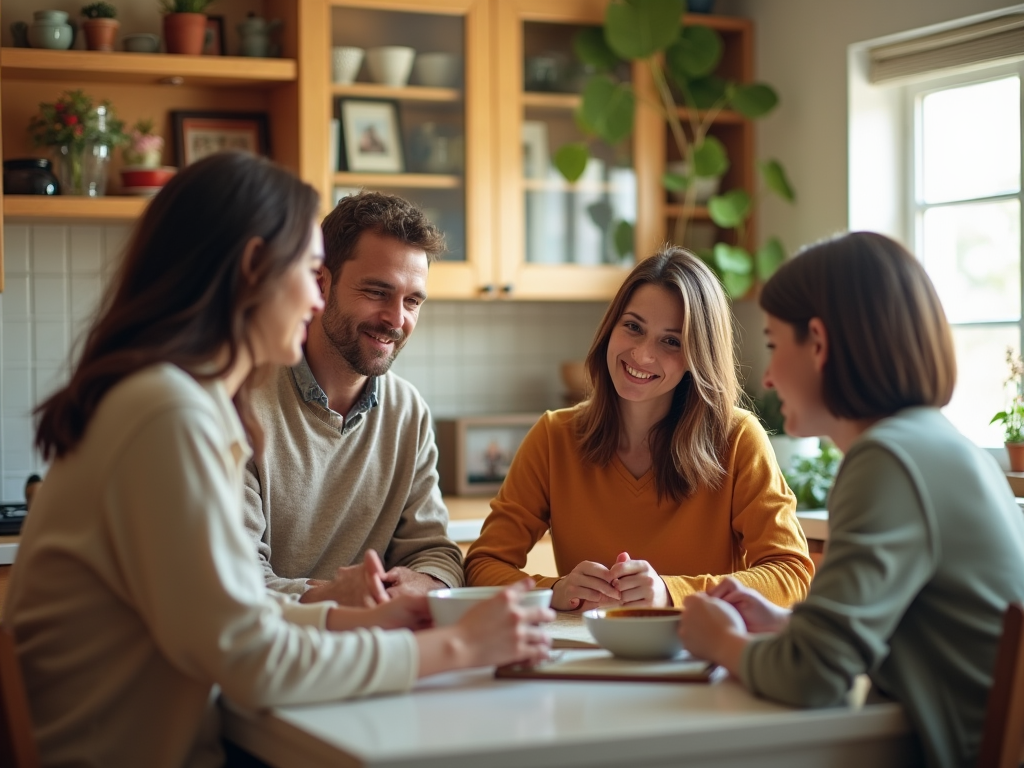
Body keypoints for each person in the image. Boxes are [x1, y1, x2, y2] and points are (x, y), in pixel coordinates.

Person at [4, 152, 552, 768]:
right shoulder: (169, 413)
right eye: (309, 270)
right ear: (253, 271)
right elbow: (249, 657)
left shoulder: (178, 401)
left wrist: (361, 618)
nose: (313, 300)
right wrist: (457, 647)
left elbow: (235, 615)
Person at [678, 231, 1024, 768]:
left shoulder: (888, 460)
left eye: (772, 344)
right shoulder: (938, 443)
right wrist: (788, 624)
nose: (767, 377)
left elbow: (814, 677)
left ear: (818, 342)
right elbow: (903, 630)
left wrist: (721, 642)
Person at [465, 246, 814, 610]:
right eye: (633, 327)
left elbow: (789, 572)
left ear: (699, 356)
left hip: (698, 656)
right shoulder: (553, 436)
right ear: (610, 328)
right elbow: (482, 566)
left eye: (671, 341)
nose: (642, 355)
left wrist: (669, 593)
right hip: (586, 657)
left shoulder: (739, 438)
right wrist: (554, 591)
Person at [243, 190, 464, 608]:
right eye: (378, 292)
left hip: (372, 643)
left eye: (412, 300)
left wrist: (428, 581)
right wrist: (336, 597)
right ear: (321, 284)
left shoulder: (407, 411)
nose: (396, 319)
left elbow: (436, 552)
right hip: (269, 655)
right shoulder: (243, 402)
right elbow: (236, 578)